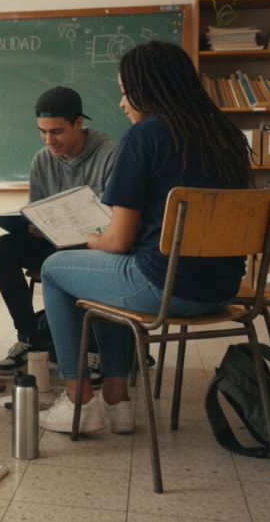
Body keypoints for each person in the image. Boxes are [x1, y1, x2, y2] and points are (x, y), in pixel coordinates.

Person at [38, 41, 252, 434]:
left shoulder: (145, 135)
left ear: (149, 89)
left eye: (125, 91)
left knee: (54, 269)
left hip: (166, 288)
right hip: (224, 289)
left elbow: (118, 241)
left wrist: (92, 238)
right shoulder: (229, 137)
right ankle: (116, 404)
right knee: (115, 270)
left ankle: (78, 402)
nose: (121, 103)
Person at [0, 87, 117, 375]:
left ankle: (94, 350)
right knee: (1, 248)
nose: (49, 140)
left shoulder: (111, 155)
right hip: (52, 244)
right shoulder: (42, 159)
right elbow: (38, 207)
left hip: (93, 248)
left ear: (79, 123)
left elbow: (114, 220)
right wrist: (34, 224)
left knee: (80, 260)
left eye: (57, 131)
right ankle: (32, 337)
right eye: (43, 132)